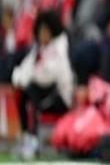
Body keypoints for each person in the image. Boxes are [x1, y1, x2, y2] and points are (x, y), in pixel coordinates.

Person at [11, 10, 74, 160]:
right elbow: (23, 70)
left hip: (60, 98)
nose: (42, 34)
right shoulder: (38, 49)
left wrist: (26, 78)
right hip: (43, 94)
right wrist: (21, 79)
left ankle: (33, 139)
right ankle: (28, 136)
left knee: (31, 90)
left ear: (52, 31)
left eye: (45, 31)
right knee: (23, 92)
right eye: (40, 31)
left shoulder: (60, 48)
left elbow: (47, 76)